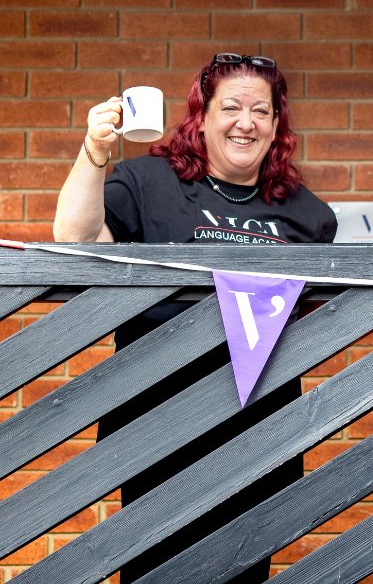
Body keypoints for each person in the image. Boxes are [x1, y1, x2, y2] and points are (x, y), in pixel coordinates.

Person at [53, 52, 337, 581]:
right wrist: (94, 151)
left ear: (277, 126)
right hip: (158, 420)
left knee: (245, 569)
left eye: (262, 111)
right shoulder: (144, 182)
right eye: (230, 107)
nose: (246, 122)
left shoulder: (309, 214)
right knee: (151, 569)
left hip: (259, 424)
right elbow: (76, 239)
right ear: (200, 117)